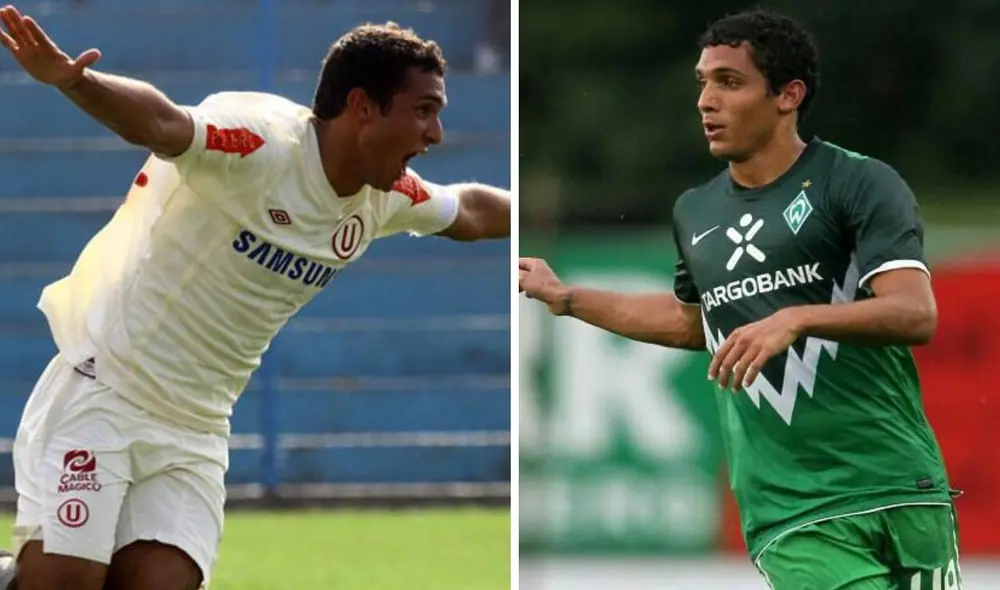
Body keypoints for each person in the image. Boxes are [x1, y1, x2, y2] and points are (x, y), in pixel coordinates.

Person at [0, 3, 510, 590]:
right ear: (362, 106)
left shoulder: (386, 194)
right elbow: (165, 125)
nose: (435, 134)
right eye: (423, 111)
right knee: (65, 584)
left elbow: (470, 210)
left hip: (195, 428)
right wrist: (75, 81)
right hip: (107, 389)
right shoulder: (263, 143)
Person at [520, 9, 962, 590]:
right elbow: (689, 324)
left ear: (788, 95)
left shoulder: (858, 182)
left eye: (729, 82)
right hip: (794, 510)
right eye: (702, 82)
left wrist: (797, 319)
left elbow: (915, 313)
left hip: (904, 486)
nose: (707, 100)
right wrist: (569, 297)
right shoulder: (696, 212)